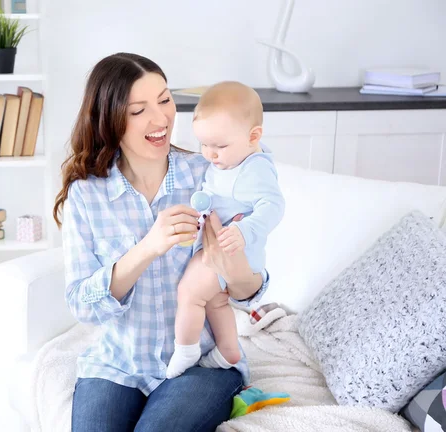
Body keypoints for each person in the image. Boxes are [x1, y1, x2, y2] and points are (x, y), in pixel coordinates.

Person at [53, 53, 269, 432]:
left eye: (165, 101)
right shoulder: (86, 196)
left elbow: (249, 293)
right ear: (110, 119)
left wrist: (231, 263)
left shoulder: (211, 174)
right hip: (116, 365)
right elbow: (82, 305)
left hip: (202, 364)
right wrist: (148, 246)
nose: (160, 120)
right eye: (138, 110)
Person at [166, 82, 285, 378]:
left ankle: (186, 349)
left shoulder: (253, 169)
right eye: (204, 145)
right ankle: (229, 349)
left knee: (189, 293)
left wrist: (245, 229)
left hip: (235, 251)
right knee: (216, 300)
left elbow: (273, 205)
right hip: (221, 248)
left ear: (253, 136)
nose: (210, 154)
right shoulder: (233, 160)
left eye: (219, 146)